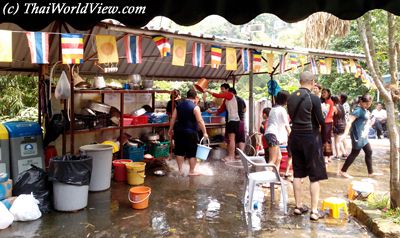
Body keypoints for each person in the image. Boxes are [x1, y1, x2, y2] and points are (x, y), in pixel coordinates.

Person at [287, 71, 327, 221]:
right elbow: (321, 120)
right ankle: (314, 211)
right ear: (312, 81)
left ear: (300, 81)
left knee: (297, 172)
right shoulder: (314, 98)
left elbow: (292, 116)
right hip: (310, 137)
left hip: (295, 137)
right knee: (314, 175)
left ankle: (298, 206)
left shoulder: (290, 97)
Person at [168, 89, 208, 176]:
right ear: (195, 96)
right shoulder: (195, 107)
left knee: (179, 151)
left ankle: (180, 170)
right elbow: (200, 121)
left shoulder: (178, 106)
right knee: (192, 153)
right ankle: (191, 171)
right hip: (191, 133)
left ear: (187, 96)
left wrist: (170, 129)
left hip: (179, 132)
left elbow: (173, 118)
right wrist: (205, 132)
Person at [339, 94, 376, 179]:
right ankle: (343, 171)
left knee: (369, 151)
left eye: (369, 104)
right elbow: (349, 122)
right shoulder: (358, 110)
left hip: (363, 136)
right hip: (357, 136)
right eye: (366, 104)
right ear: (361, 102)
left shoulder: (364, 109)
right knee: (354, 153)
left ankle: (371, 173)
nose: (368, 106)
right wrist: (345, 134)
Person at [205, 83, 240, 162]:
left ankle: (231, 156)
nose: (221, 91)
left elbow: (217, 96)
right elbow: (221, 110)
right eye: (221, 90)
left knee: (232, 139)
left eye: (223, 89)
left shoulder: (230, 95)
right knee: (231, 139)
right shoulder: (226, 100)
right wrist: (212, 113)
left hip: (233, 120)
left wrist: (208, 91)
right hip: (232, 120)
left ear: (227, 89)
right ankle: (231, 155)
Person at [264, 91, 291, 168]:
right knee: (272, 160)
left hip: (270, 134)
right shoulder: (282, 110)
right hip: (273, 135)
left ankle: (275, 178)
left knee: (279, 158)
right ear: (285, 100)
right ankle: (267, 178)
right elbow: (287, 126)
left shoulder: (273, 109)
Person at [321, 88, 334, 163]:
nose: (323, 94)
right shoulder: (324, 101)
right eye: (322, 93)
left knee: (326, 139)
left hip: (327, 122)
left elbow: (325, 113)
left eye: (325, 93)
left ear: (329, 94)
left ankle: (326, 156)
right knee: (327, 139)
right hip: (325, 122)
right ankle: (328, 156)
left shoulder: (329, 102)